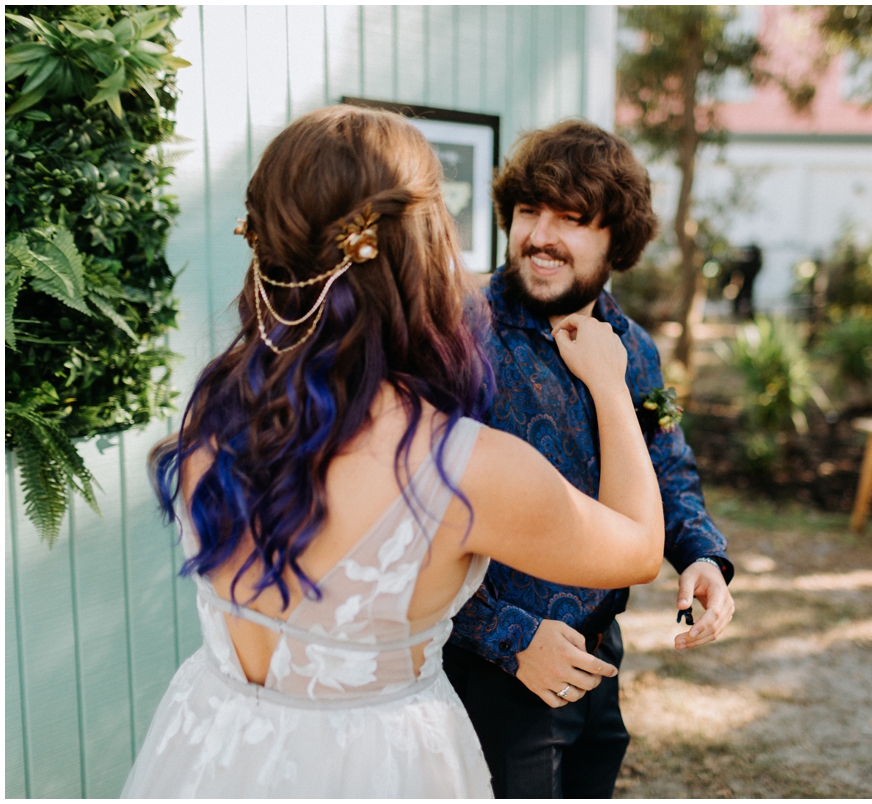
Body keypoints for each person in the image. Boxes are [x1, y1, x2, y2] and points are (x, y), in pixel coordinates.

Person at [121, 105, 665, 798]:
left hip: (212, 751)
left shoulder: (214, 415)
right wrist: (611, 388)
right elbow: (641, 547)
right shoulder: (461, 465)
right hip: (377, 770)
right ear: (421, 247)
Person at [443, 120, 736, 799]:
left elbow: (667, 464)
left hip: (600, 661)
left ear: (616, 241)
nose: (541, 235)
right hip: (491, 672)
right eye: (527, 211)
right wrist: (509, 637)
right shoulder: (456, 333)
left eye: (572, 218)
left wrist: (702, 557)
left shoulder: (630, 344)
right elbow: (408, 510)